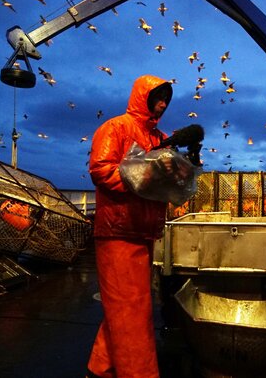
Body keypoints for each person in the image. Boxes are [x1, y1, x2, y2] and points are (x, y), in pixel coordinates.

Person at [86, 75, 174, 378]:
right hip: (118, 232)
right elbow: (101, 170)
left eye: (166, 99)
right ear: (142, 96)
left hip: (142, 231)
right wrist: (146, 177)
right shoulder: (116, 127)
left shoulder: (158, 138)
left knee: (123, 308)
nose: (162, 104)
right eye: (157, 97)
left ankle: (101, 368)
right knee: (132, 312)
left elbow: (161, 179)